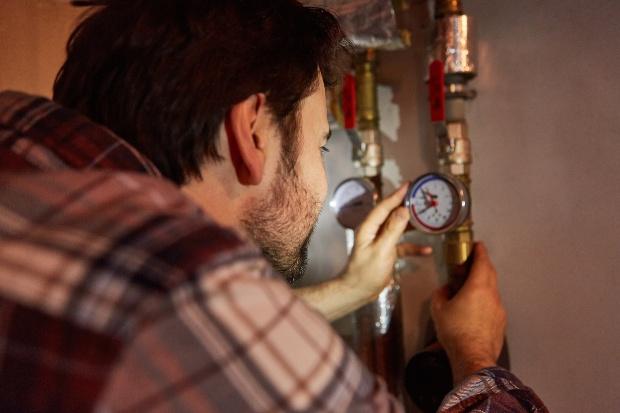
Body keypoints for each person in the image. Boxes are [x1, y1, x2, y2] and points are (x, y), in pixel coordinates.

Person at [0, 0, 547, 411]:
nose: (318, 165)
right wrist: (475, 355)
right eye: (320, 143)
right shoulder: (184, 301)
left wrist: (351, 291)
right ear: (253, 131)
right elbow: (201, 324)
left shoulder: (20, 137)